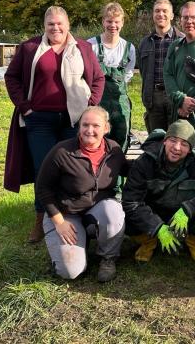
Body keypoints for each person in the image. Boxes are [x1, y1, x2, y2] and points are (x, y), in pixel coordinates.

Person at [4, 6, 105, 244]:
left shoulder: (82, 48)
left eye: (60, 24)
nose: (56, 28)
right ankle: (41, 220)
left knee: (71, 169)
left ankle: (70, 216)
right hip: (39, 120)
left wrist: (90, 106)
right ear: (44, 26)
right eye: (51, 24)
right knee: (43, 170)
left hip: (73, 121)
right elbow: (12, 77)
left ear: (68, 25)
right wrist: (25, 106)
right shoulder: (30, 48)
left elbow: (98, 78)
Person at [35, 106, 126, 282]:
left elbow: (130, 170)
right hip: (65, 214)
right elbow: (43, 188)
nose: (89, 131)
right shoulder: (61, 152)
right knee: (70, 272)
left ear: (106, 128)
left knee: (113, 209)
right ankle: (72, 245)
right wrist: (59, 222)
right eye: (85, 125)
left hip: (96, 211)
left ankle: (108, 258)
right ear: (79, 126)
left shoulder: (113, 150)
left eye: (96, 126)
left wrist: (155, 161)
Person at [122, 120, 195, 262]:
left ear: (190, 149)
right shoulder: (144, 162)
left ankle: (194, 244)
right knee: (127, 220)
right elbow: (131, 201)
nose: (177, 148)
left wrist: (188, 209)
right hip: (154, 213)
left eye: (184, 144)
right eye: (173, 140)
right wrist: (157, 227)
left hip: (184, 217)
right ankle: (149, 242)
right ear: (165, 141)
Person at [87, 2, 136, 153]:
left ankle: (118, 175)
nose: (112, 25)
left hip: (120, 102)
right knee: (96, 142)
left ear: (122, 23)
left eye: (116, 21)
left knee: (120, 143)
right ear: (103, 22)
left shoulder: (129, 48)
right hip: (97, 101)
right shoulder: (91, 45)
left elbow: (128, 73)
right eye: (109, 21)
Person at [138, 0, 184, 133]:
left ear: (171, 15)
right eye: (157, 11)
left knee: (177, 137)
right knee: (156, 139)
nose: (161, 14)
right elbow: (143, 71)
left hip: (175, 96)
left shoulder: (182, 40)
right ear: (153, 15)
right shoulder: (145, 43)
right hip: (154, 97)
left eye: (165, 11)